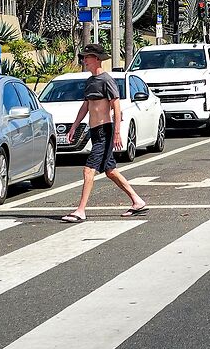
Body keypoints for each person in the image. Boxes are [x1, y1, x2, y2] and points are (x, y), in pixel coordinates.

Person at [63, 41, 148, 223]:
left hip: (105, 132)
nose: (84, 60)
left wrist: (117, 132)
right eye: (84, 57)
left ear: (96, 59)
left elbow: (116, 108)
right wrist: (74, 126)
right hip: (95, 131)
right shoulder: (90, 81)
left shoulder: (107, 80)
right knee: (110, 171)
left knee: (88, 170)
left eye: (87, 57)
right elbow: (86, 106)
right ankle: (137, 201)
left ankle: (80, 210)